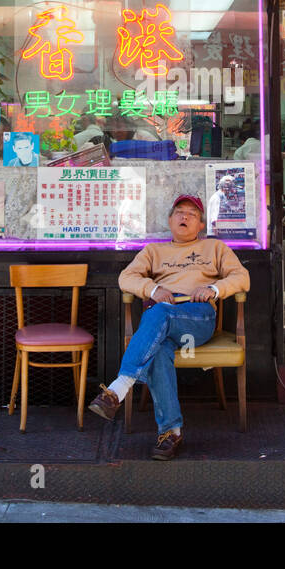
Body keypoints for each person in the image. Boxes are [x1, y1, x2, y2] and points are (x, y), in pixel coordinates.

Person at [87, 195, 249, 460]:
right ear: (170, 220)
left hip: (197, 319)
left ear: (201, 225)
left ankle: (119, 388)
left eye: (192, 214)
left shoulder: (215, 248)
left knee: (159, 312)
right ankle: (171, 432)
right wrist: (154, 288)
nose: (184, 217)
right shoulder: (154, 251)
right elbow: (125, 277)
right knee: (160, 349)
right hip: (163, 320)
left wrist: (213, 289)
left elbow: (242, 276)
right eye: (179, 212)